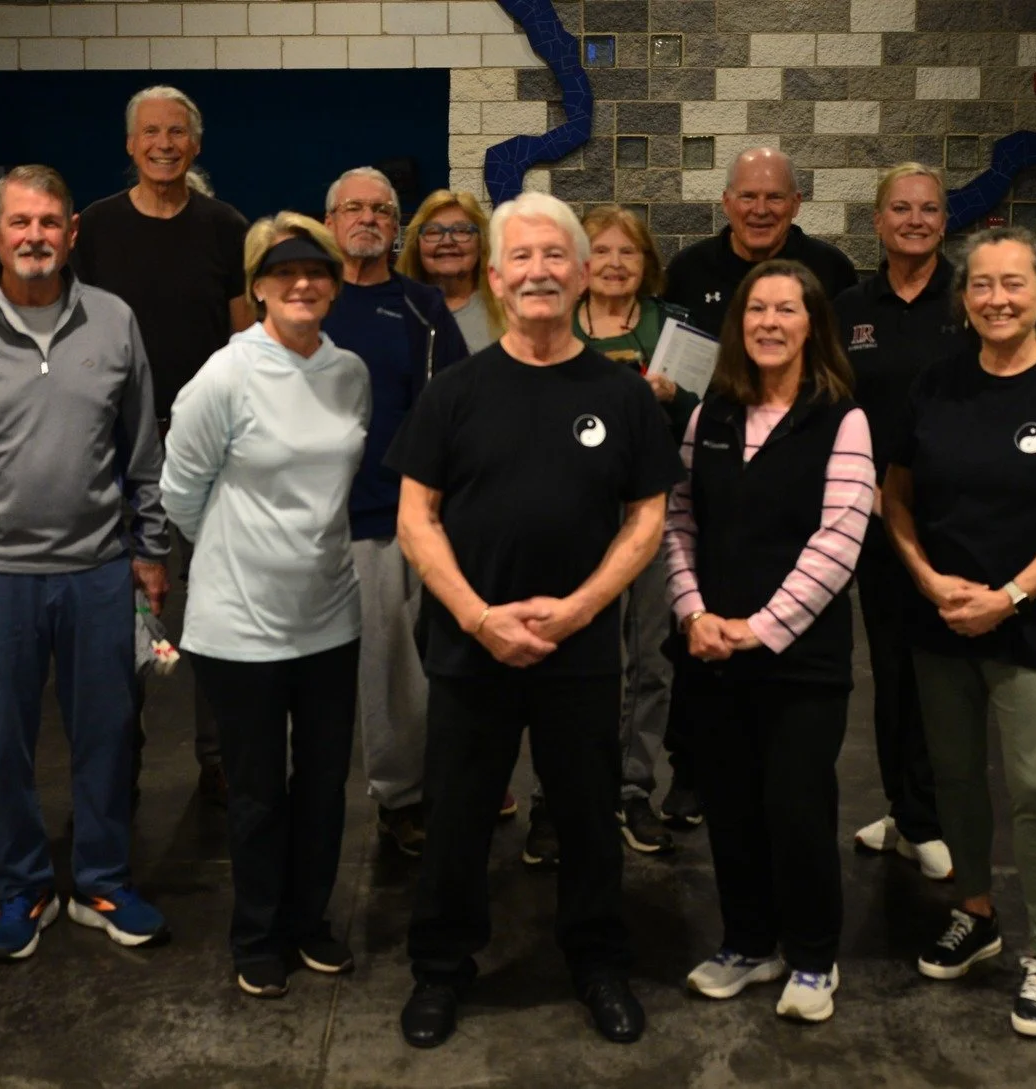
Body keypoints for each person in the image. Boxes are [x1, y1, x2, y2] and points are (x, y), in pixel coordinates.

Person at [388, 193, 683, 1049]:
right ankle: (442, 966)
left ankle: (598, 962)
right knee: (457, 815)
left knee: (588, 816)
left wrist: (579, 610)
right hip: (471, 646)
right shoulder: (454, 391)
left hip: (580, 649)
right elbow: (416, 518)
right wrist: (480, 617)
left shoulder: (622, 396)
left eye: (556, 256)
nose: (539, 271)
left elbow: (647, 520)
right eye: (521, 257)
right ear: (495, 277)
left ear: (583, 273)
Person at [0, 165, 170, 961]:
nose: (35, 236)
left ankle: (103, 881)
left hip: (97, 569)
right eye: (20, 222)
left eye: (50, 222)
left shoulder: (113, 320)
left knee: (108, 736)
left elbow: (143, 451)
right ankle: (22, 889)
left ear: (72, 233)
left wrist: (151, 549)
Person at [885, 226, 1036, 1038]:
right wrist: (928, 579)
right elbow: (896, 496)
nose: (997, 299)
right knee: (955, 776)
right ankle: (977, 912)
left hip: (1032, 621)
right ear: (965, 298)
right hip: (942, 617)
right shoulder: (937, 383)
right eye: (982, 285)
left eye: (1013, 284)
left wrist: (1012, 596)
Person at [164, 212, 371, 997]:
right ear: (257, 287)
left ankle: (308, 921)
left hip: (330, 614)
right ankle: (256, 934)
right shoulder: (225, 375)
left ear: (335, 285)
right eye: (284, 272)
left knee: (323, 784)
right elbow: (180, 492)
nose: (302, 284)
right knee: (255, 793)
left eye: (317, 271)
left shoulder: (348, 371)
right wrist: (238, 551)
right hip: (241, 624)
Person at [666, 260, 873, 1024]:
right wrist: (693, 614)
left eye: (787, 309)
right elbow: (678, 519)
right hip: (712, 651)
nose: (770, 323)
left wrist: (759, 628)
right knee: (730, 804)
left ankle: (814, 955)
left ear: (813, 324)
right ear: (738, 322)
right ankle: (749, 943)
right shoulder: (710, 413)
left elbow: (838, 541)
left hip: (800, 662)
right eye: (757, 309)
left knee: (796, 807)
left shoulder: (841, 418)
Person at [71, 85, 249, 807]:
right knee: (120, 608)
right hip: (115, 447)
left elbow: (244, 339)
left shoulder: (226, 227)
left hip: (208, 446)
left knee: (218, 603)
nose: (164, 144)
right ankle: (121, 752)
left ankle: (220, 756)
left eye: (177, 132)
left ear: (195, 145)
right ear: (130, 145)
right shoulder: (96, 228)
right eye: (151, 132)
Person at [319, 168, 472, 860]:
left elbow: (451, 410)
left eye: (382, 209)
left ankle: (402, 800)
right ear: (329, 220)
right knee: (306, 680)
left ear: (397, 225)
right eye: (354, 208)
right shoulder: (308, 296)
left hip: (386, 519)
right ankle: (305, 799)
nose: (369, 219)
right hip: (302, 527)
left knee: (393, 677)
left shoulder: (422, 307)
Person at [832, 162, 967, 882]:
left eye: (929, 209)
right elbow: (830, 404)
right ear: (878, 221)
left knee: (944, 676)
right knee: (890, 670)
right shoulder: (850, 307)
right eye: (902, 209)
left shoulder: (969, 298)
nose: (915, 220)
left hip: (956, 520)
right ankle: (903, 808)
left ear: (945, 222)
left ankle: (932, 815)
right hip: (876, 521)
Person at [571, 203, 700, 855]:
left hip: (654, 510)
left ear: (647, 263)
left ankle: (631, 787)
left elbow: (710, 409)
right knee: (577, 658)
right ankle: (561, 793)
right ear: (580, 261)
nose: (615, 263)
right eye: (602, 250)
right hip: (573, 513)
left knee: (652, 658)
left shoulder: (674, 325)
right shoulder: (558, 322)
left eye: (629, 251)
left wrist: (675, 397)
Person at [662, 147, 857, 337]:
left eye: (774, 197)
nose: (760, 210)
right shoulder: (687, 270)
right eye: (748, 197)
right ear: (726, 202)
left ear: (795, 204)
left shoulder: (831, 270)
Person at [399, 189, 505, 352]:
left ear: (481, 243)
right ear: (416, 245)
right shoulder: (393, 311)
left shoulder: (509, 312)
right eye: (433, 232)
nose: (447, 241)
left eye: (462, 231)